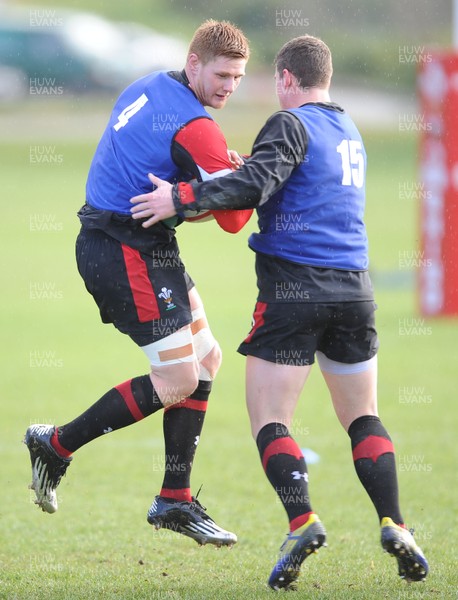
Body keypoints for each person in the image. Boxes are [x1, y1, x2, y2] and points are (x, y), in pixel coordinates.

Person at [130, 35, 429, 590]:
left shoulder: (289, 124)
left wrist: (183, 198)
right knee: (363, 418)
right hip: (356, 293)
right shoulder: (349, 131)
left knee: (271, 420)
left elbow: (259, 183)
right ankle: (396, 523)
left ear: (287, 79)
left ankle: (302, 521)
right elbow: (289, 182)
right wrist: (249, 171)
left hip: (295, 292)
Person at [24, 19, 253, 548]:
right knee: (177, 380)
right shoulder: (199, 130)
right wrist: (230, 180)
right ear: (194, 63)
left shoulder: (148, 84)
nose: (228, 87)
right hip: (122, 251)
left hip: (137, 243)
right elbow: (236, 220)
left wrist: (188, 193)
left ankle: (174, 499)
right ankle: (55, 444)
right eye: (221, 75)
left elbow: (150, 171)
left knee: (207, 360)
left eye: (238, 78)